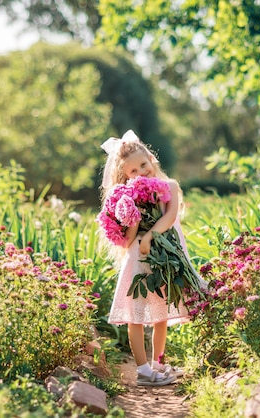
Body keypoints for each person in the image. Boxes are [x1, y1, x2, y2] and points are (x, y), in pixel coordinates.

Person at [98, 129, 193, 387]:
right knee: (135, 314)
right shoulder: (127, 196)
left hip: (164, 257)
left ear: (151, 158)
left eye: (143, 164)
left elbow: (170, 216)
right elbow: (128, 241)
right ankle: (142, 370)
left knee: (161, 313)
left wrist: (150, 234)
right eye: (133, 171)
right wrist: (133, 221)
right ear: (125, 176)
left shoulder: (170, 186)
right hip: (138, 259)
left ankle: (158, 364)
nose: (141, 172)